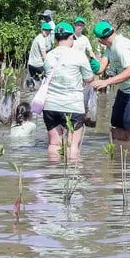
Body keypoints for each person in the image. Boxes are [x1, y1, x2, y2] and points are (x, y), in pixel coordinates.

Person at [42, 21, 94, 161]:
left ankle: (53, 178)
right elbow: (89, 79)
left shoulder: (49, 56)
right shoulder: (79, 55)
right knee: (72, 146)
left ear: (55, 38)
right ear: (71, 37)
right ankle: (72, 178)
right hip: (72, 106)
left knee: (54, 144)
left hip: (50, 105)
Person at [26, 21, 53, 87]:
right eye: (45, 30)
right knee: (46, 82)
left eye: (49, 30)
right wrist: (49, 65)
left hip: (31, 65)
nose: (47, 32)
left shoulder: (37, 38)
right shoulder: (41, 39)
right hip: (38, 65)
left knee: (34, 85)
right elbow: (43, 53)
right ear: (41, 30)